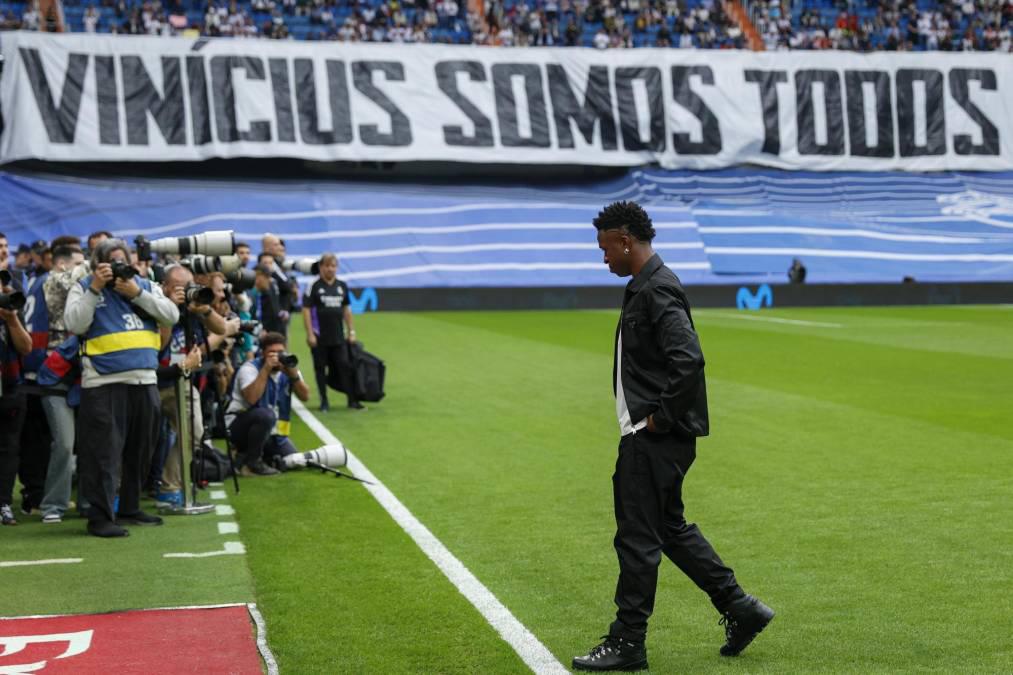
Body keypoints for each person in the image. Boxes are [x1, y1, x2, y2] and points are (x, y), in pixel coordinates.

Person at [573, 201, 774, 672]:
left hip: (655, 438)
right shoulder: (646, 286)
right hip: (656, 437)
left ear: (625, 241)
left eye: (605, 248)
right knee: (668, 528)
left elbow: (689, 359)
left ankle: (628, 642)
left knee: (638, 538)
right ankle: (740, 608)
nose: (603, 258)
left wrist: (658, 420)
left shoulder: (657, 289)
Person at [64, 239, 179, 537]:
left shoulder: (144, 285)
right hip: (103, 382)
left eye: (122, 260)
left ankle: (130, 507)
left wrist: (137, 293)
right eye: (111, 261)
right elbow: (75, 324)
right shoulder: (85, 286)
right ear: (97, 264)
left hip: (144, 380)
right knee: (104, 453)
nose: (118, 267)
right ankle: (100, 517)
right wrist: (95, 289)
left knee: (140, 450)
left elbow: (171, 315)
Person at [154, 265, 227, 507]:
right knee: (140, 439)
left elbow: (222, 329)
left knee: (194, 433)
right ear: (165, 286)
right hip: (153, 381)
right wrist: (170, 309)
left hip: (182, 382)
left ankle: (169, 484)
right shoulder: (152, 303)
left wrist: (203, 309)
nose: (185, 293)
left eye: (188, 288)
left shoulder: (193, 308)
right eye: (178, 288)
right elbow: (158, 346)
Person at [224, 331, 309, 476]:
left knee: (290, 459)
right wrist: (266, 369)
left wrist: (294, 376)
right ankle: (252, 462)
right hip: (238, 426)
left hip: (273, 433)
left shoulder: (288, 368)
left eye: (280, 352)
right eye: (272, 353)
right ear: (262, 353)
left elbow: (305, 396)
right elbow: (252, 398)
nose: (277, 356)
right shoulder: (249, 369)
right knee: (266, 415)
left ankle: (246, 457)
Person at [302, 253, 362, 411]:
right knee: (320, 368)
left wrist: (352, 331)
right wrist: (309, 333)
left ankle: (352, 400)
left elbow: (346, 309)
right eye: (327, 266)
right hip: (319, 335)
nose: (330, 269)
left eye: (333, 266)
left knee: (345, 366)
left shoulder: (342, 285)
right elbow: (306, 310)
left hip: (338, 336)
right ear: (321, 267)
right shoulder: (314, 285)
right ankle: (324, 401)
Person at [0, 271, 32, 526]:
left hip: (10, 388)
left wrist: (11, 321)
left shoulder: (10, 310)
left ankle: (4, 503)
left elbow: (26, 347)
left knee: (9, 449)